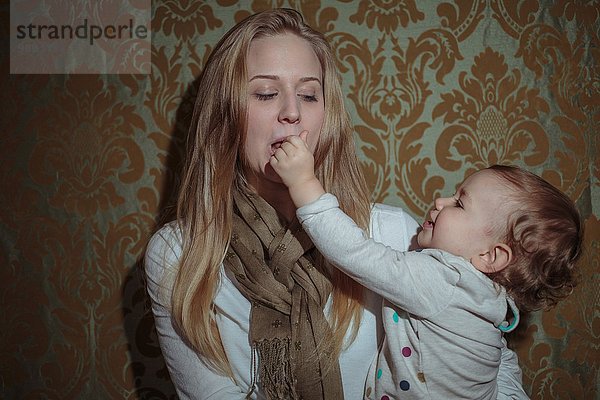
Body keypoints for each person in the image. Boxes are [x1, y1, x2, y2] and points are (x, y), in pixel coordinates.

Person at [144, 8, 528, 399]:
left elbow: (490, 355)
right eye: (265, 93)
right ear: (225, 115)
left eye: (309, 94)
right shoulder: (179, 255)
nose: (292, 112)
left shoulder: (394, 234)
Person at [269, 133, 583, 399]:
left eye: (459, 203)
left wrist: (304, 183)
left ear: (490, 257)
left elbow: (354, 251)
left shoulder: (442, 282)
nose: (440, 201)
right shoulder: (491, 297)